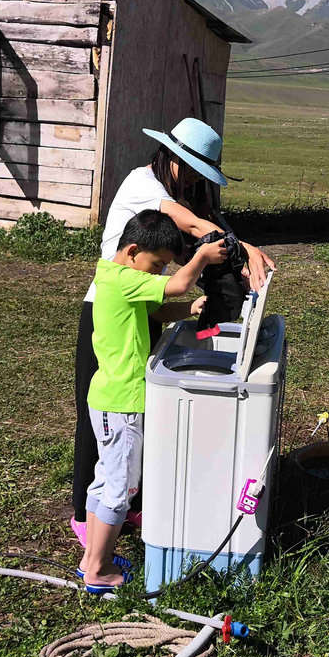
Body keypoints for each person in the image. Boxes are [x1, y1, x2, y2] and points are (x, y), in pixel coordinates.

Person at [70, 118, 276, 545]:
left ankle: (124, 502)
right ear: (176, 162)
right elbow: (195, 226)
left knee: (135, 413)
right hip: (106, 310)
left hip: (144, 308)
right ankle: (82, 514)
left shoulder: (170, 191)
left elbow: (203, 223)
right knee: (100, 415)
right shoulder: (142, 185)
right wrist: (246, 250)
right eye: (196, 171)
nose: (199, 182)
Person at [80, 210, 228, 592]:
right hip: (122, 401)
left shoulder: (116, 276)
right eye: (158, 264)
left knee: (104, 481)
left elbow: (161, 308)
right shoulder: (123, 278)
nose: (161, 273)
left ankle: (91, 560)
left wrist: (190, 310)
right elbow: (178, 286)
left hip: (108, 398)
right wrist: (201, 258)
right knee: (121, 489)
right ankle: (99, 572)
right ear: (132, 251)